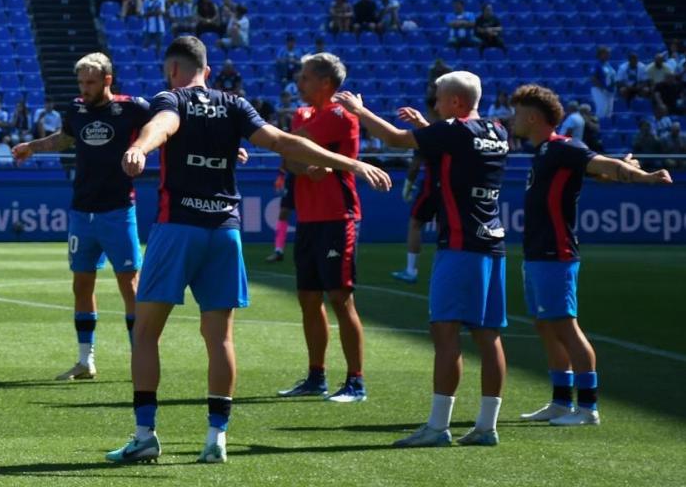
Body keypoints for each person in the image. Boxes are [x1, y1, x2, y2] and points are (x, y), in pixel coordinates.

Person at [109, 36, 390, 465]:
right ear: (207, 68)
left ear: (173, 70)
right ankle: (215, 438)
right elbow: (280, 141)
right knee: (220, 337)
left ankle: (145, 434)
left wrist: (139, 148)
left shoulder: (170, 98)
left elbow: (163, 125)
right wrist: (351, 163)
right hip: (225, 230)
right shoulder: (234, 103)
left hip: (178, 226)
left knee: (146, 332)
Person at [334, 71, 510, 448]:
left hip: (460, 245)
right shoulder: (497, 131)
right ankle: (486, 426)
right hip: (493, 243)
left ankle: (437, 426)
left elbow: (395, 139)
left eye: (440, 100)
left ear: (456, 103)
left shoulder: (451, 128)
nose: (435, 106)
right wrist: (429, 127)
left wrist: (359, 111)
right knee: (489, 336)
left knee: (445, 333)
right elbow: (461, 146)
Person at [506, 84, 672, 426]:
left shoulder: (564, 147)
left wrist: (644, 177)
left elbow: (602, 165)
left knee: (566, 327)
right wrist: (623, 170)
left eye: (517, 113)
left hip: (556, 252)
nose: (513, 119)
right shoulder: (542, 152)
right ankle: (560, 401)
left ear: (534, 117)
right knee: (545, 326)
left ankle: (588, 408)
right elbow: (601, 171)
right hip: (537, 252)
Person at [12, 53, 151, 381]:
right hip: (82, 211)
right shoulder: (75, 109)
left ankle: (139, 357)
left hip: (118, 210)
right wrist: (31, 146)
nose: (84, 88)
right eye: (81, 82)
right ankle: (85, 360)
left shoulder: (132, 108)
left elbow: (168, 126)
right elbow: (64, 138)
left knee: (130, 286)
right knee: (81, 283)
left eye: (90, 82)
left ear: (107, 80)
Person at [274, 54, 368, 404]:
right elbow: (288, 155)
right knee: (309, 298)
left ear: (326, 82)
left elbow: (290, 147)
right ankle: (317, 377)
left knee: (341, 299)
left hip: (337, 218)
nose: (300, 83)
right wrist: (301, 164)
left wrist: (300, 158)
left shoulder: (341, 116)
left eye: (307, 77)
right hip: (310, 220)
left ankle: (355, 381)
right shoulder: (304, 115)